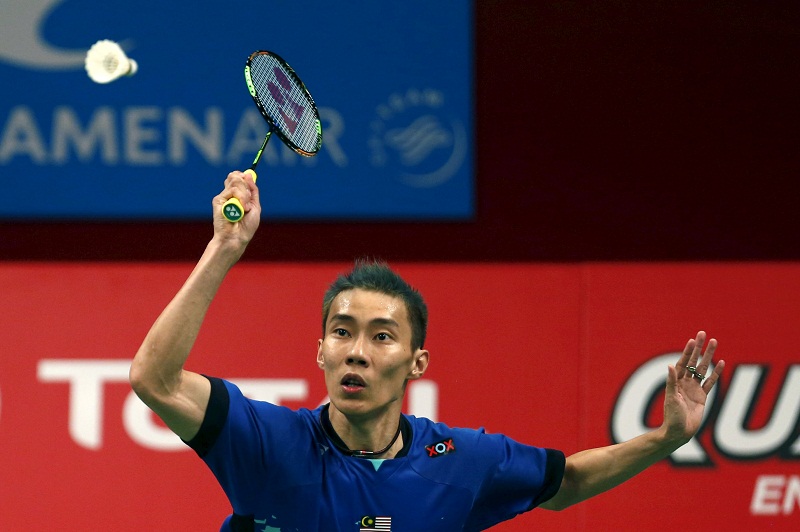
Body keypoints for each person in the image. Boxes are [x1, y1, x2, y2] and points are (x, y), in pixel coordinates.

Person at [130, 170, 726, 531]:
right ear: (320, 352)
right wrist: (225, 248)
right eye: (342, 332)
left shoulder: (460, 463)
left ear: (417, 363)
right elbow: (154, 380)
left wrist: (665, 438)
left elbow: (566, 481)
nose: (356, 352)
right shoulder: (269, 444)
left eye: (381, 336)